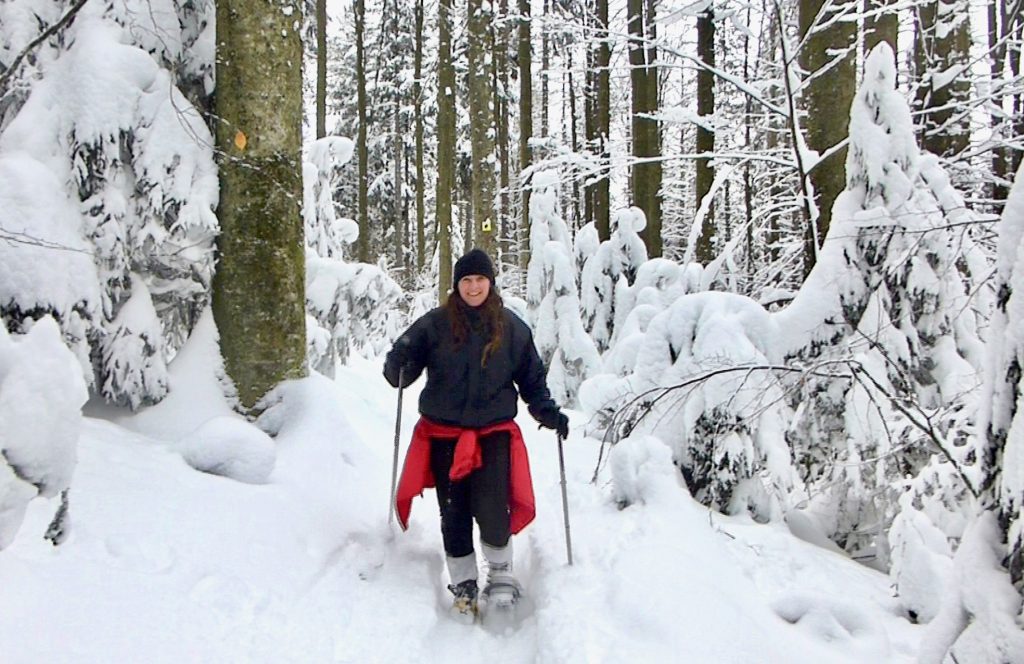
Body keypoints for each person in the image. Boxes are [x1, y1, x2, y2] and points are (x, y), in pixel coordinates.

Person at [383, 248, 569, 622]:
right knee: (453, 511)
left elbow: (531, 379)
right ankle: (464, 584)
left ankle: (501, 575)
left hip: (493, 432)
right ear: (456, 285)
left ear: (491, 282)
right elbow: (402, 369)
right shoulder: (434, 324)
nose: (473, 286)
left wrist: (545, 409)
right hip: (443, 433)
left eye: (479, 279)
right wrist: (398, 363)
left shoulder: (512, 328)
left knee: (490, 506)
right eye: (466, 280)